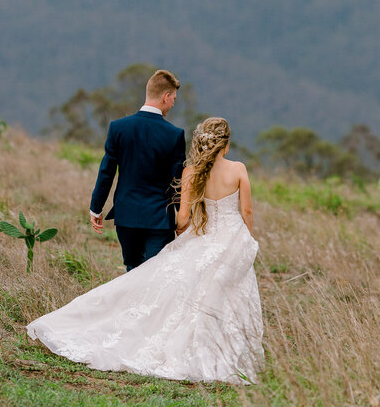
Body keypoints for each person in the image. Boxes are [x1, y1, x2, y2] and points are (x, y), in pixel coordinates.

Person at [27, 117, 264, 384]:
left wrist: (185, 238)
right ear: (226, 144)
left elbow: (183, 218)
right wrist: (246, 237)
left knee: (176, 292)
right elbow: (247, 211)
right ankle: (225, 353)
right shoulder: (239, 169)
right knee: (228, 295)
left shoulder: (191, 173)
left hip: (204, 236)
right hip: (232, 240)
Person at [89, 69, 186, 272]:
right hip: (160, 219)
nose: (174, 103)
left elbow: (106, 172)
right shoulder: (174, 135)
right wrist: (183, 218)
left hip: (127, 216)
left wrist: (96, 208)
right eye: (174, 98)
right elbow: (178, 182)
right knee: (156, 274)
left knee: (133, 270)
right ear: (165, 97)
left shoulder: (118, 128)